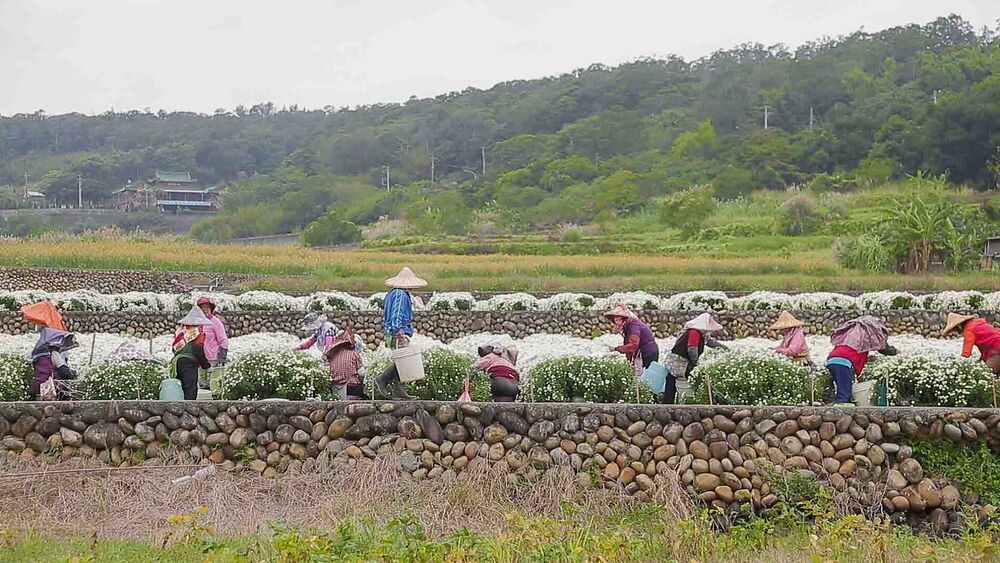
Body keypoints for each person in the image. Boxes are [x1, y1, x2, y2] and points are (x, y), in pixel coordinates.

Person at [375, 267, 426, 399]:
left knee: (403, 360)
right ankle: (383, 378)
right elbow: (396, 313)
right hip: (398, 331)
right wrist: (398, 329)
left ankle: (399, 389)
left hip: (391, 331)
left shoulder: (392, 293)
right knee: (404, 360)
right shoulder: (400, 294)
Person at [826, 316, 898, 405]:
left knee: (843, 386)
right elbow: (883, 348)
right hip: (844, 362)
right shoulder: (868, 331)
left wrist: (866, 359)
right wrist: (895, 352)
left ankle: (838, 406)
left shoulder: (852, 332)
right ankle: (842, 411)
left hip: (833, 359)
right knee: (844, 394)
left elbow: (853, 350)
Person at [170, 307, 213, 400]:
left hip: (177, 363)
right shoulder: (198, 333)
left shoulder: (180, 331)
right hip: (189, 363)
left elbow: (174, 349)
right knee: (190, 389)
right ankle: (189, 411)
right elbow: (198, 350)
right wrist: (206, 366)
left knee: (181, 389)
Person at [30, 328, 78, 399]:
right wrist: (74, 374)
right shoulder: (54, 354)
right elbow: (65, 373)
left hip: (38, 388)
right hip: (51, 389)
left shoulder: (38, 355)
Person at [197, 297, 229, 394]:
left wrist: (222, 357)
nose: (205, 310)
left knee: (213, 384)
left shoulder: (215, 322)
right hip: (199, 359)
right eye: (202, 307)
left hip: (212, 359)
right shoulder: (197, 322)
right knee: (202, 386)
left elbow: (223, 340)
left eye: (207, 307)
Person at [324, 328, 366, 400]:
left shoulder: (332, 356)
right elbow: (361, 373)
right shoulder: (354, 354)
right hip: (351, 388)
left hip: (335, 388)